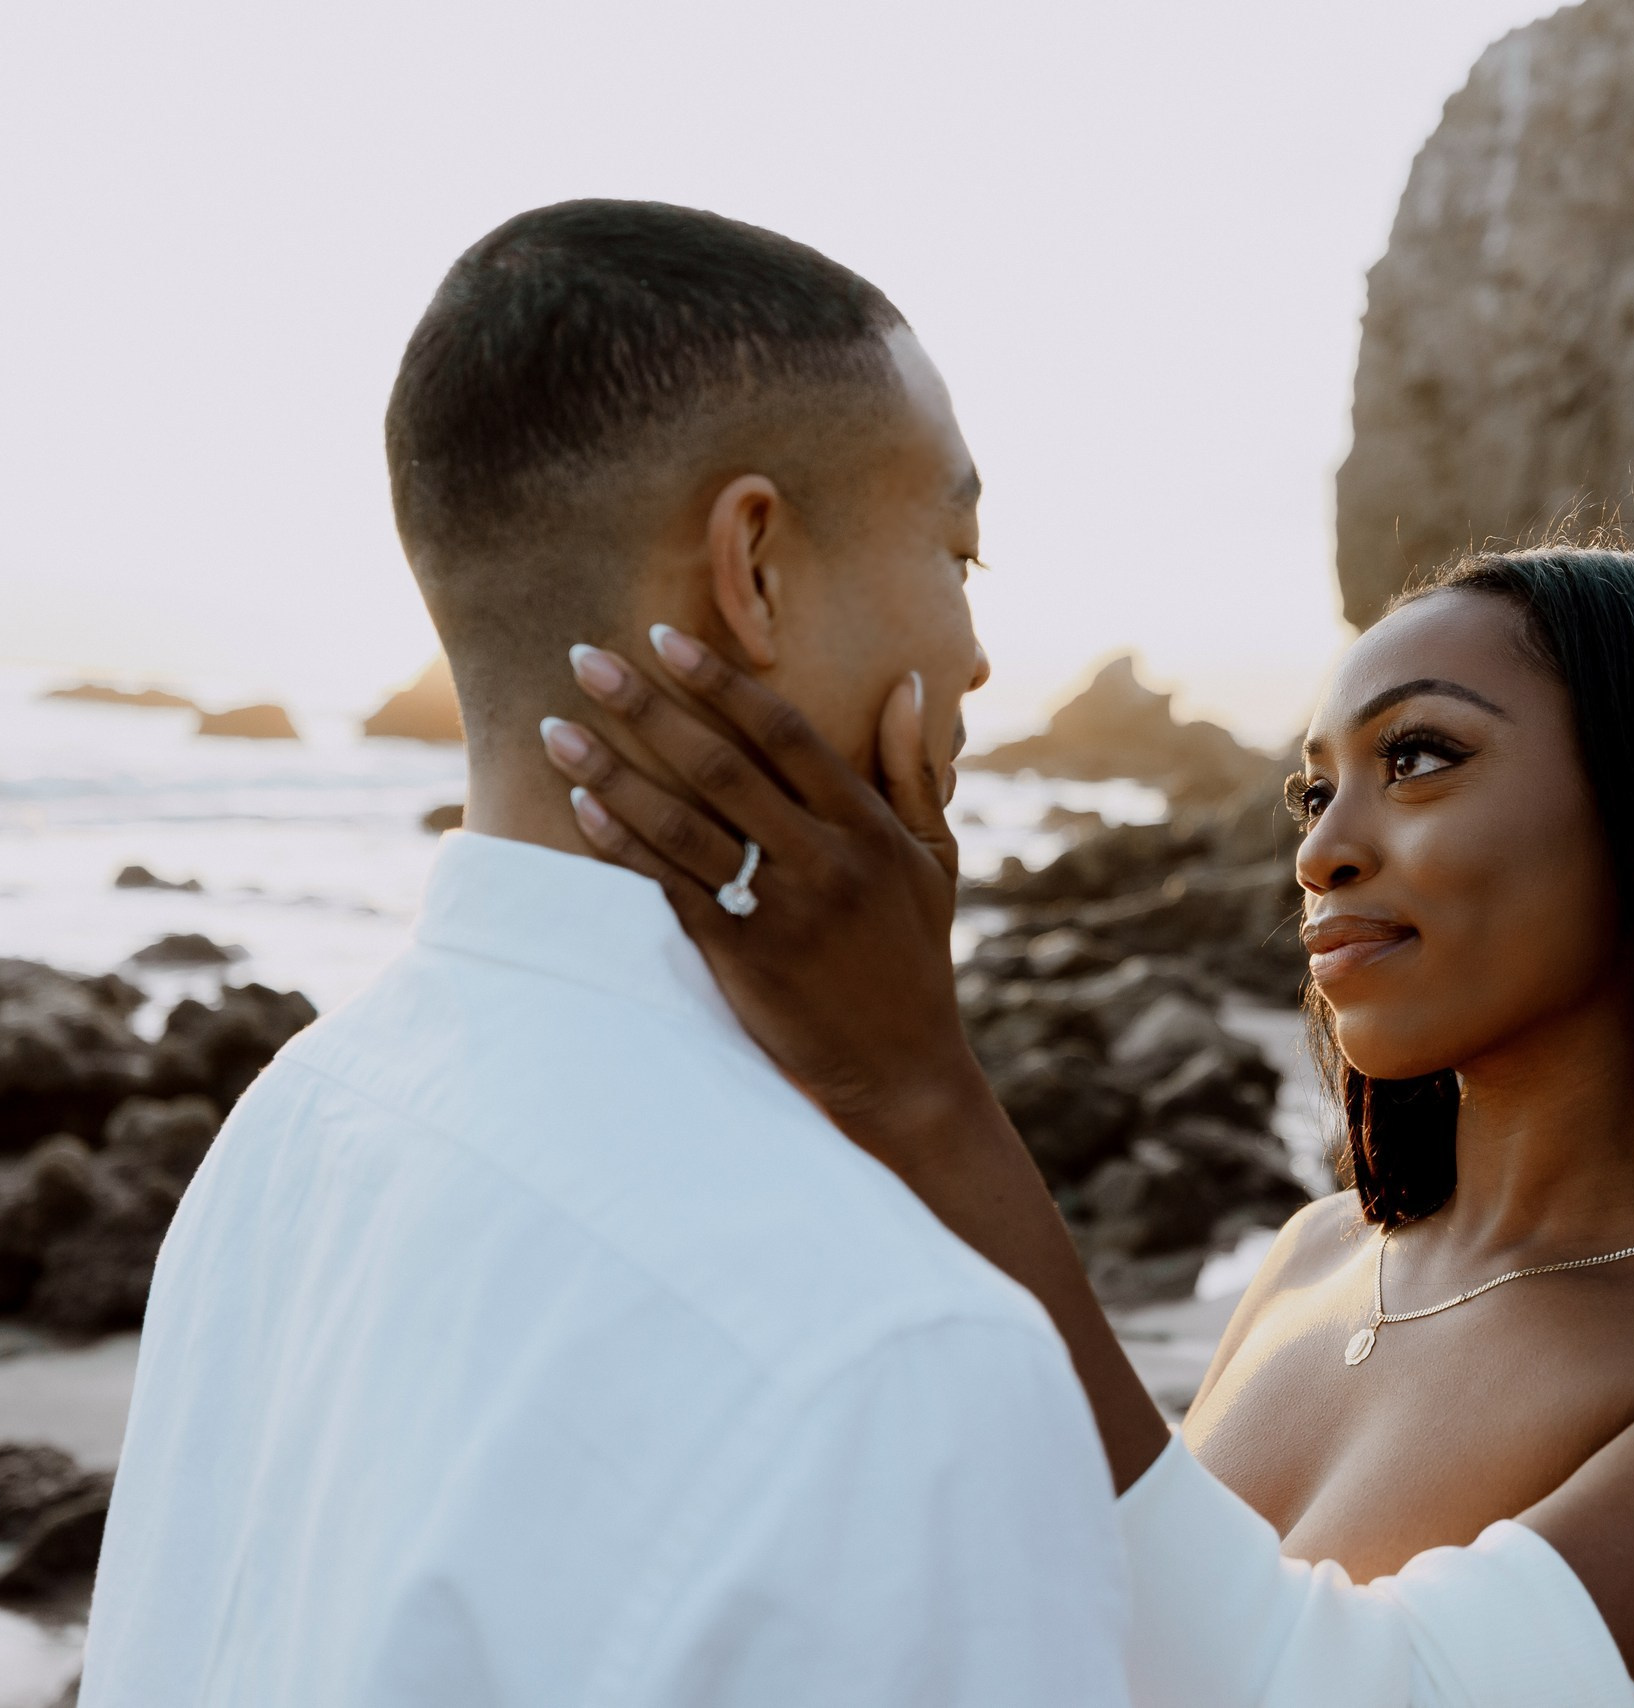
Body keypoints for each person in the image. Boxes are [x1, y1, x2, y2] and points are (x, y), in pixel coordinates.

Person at [537, 543, 1634, 1708]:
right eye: (1312, 789)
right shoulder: (1315, 1262)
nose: (1322, 846)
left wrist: (920, 1086)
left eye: (1419, 756)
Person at [79, 201, 1134, 1706]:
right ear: (753, 565)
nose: (975, 653)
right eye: (959, 548)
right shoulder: (905, 1360)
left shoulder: (289, 1132)